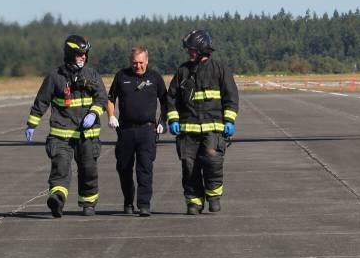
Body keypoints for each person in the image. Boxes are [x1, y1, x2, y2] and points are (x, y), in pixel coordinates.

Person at [25, 34, 107, 218]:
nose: (83, 57)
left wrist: (93, 113)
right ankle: (58, 199)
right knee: (60, 167)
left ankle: (88, 203)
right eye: (79, 54)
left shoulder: (92, 74)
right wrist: (32, 123)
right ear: (70, 54)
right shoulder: (55, 77)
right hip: (61, 135)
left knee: (88, 170)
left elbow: (102, 98)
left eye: (85, 54)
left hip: (87, 135)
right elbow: (42, 101)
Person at [166, 30, 239, 215]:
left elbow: (231, 97)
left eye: (191, 49)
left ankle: (213, 197)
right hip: (188, 131)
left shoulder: (220, 69)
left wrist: (229, 120)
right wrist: (173, 119)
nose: (189, 53)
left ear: (201, 49)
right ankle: (194, 202)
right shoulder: (183, 71)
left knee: (213, 163)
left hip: (213, 129)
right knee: (189, 166)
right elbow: (171, 98)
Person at [107, 46, 168, 217]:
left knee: (145, 168)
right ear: (130, 62)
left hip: (147, 130)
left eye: (141, 62)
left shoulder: (155, 77)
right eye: (135, 63)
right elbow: (111, 99)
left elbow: (165, 101)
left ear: (147, 61)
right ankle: (128, 201)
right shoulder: (121, 76)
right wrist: (111, 116)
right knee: (124, 168)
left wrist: (163, 120)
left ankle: (144, 204)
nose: (138, 66)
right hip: (125, 130)